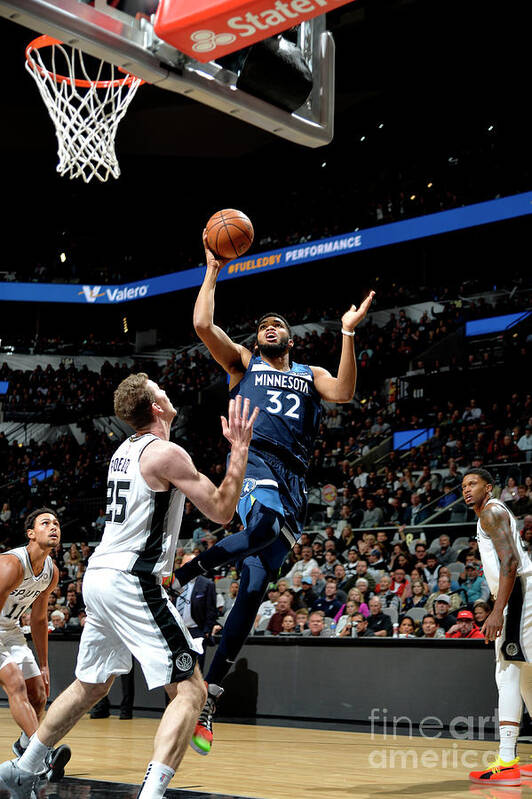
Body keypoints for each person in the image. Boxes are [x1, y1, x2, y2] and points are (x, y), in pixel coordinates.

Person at [0, 374, 258, 799]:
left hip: (99, 576)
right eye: (163, 390)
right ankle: (151, 795)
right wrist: (239, 451)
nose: (169, 393)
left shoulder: (123, 451)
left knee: (91, 685)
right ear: (156, 406)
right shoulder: (165, 453)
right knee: (191, 690)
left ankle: (24, 767)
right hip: (131, 578)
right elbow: (222, 510)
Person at [172, 231, 375, 755]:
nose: (269, 327)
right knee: (260, 527)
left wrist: (348, 334)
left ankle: (208, 698)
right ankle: (184, 573)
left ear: (290, 339)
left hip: (294, 480)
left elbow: (346, 393)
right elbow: (201, 325)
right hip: (253, 462)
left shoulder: (310, 374)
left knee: (256, 587)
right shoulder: (243, 364)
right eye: (263, 324)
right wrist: (213, 270)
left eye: (278, 325)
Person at [462, 468, 532, 786]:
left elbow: (510, 563)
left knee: (507, 674)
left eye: (473, 483)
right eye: (463, 485)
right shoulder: (490, 514)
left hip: (518, 594)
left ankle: (506, 762)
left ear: (489, 487)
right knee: (526, 677)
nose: (466, 489)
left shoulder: (491, 511)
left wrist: (497, 610)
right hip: (522, 591)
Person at [0, 508, 71, 782]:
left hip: (12, 629)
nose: (53, 526)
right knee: (15, 684)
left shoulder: (50, 572)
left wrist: (44, 664)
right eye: (45, 523)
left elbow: (40, 619)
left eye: (56, 523)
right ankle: (43, 754)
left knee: (39, 694)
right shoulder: (12, 564)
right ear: (31, 534)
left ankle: (23, 746)